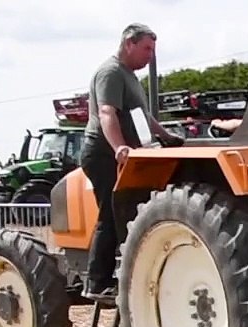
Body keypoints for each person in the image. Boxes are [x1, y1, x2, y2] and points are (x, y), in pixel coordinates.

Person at [80, 23, 185, 302]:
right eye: (146, 49)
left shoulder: (129, 76)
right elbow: (106, 113)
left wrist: (166, 135)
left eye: (153, 50)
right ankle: (97, 282)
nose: (150, 55)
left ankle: (128, 273)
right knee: (111, 212)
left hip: (126, 151)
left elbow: (144, 117)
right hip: (103, 153)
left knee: (130, 212)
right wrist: (119, 148)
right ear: (129, 43)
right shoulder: (111, 72)